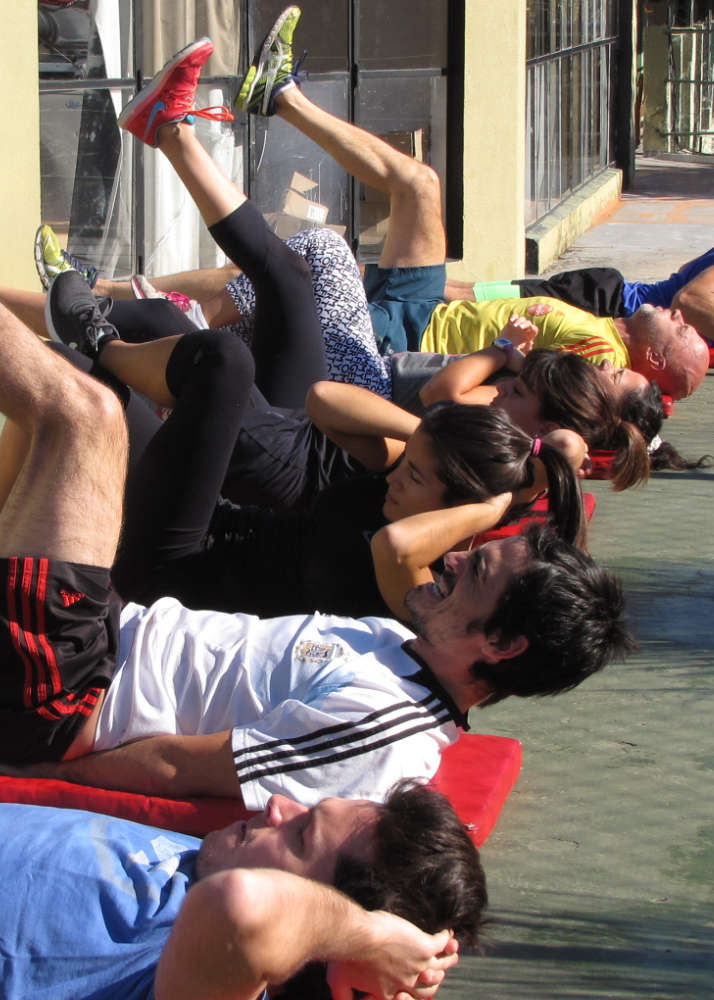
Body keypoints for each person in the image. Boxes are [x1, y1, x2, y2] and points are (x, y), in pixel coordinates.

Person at [0, 266, 631, 806]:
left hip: (76, 694)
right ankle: (94, 338)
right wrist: (441, 441)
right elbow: (324, 400)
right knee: (86, 393)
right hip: (113, 630)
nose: (456, 563)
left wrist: (36, 773)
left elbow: (179, 767)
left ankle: (97, 334)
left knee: (86, 413)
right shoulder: (400, 642)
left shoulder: (389, 725)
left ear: (501, 643)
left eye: (479, 571)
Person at [41, 40, 586, 629]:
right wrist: (428, 438)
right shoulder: (394, 480)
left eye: (417, 475)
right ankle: (88, 321)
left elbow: (400, 541)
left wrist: (491, 503)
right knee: (101, 364)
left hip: (176, 572)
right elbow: (323, 400)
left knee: (215, 358)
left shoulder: (415, 581)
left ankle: (95, 332)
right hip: (218, 504)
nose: (401, 473)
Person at [0, 780, 485, 1000]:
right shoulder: (212, 858)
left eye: (301, 836)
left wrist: (371, 938)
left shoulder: (207, 971)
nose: (278, 804)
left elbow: (241, 907)